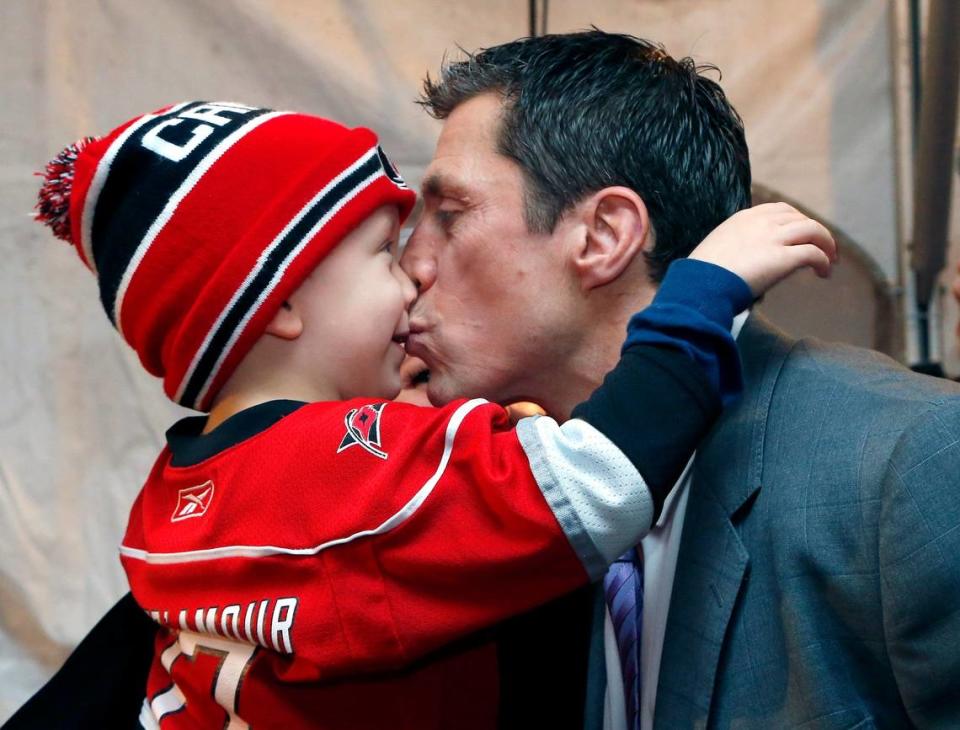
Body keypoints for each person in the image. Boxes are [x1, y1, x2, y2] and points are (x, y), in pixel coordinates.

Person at [16, 98, 831, 729]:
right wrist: (700, 294)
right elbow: (589, 486)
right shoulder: (341, 473)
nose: (413, 276)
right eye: (381, 252)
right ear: (283, 302)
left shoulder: (183, 489)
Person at [399, 30, 960, 729]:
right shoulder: (536, 500)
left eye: (448, 217)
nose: (409, 265)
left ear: (604, 236)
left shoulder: (912, 460)